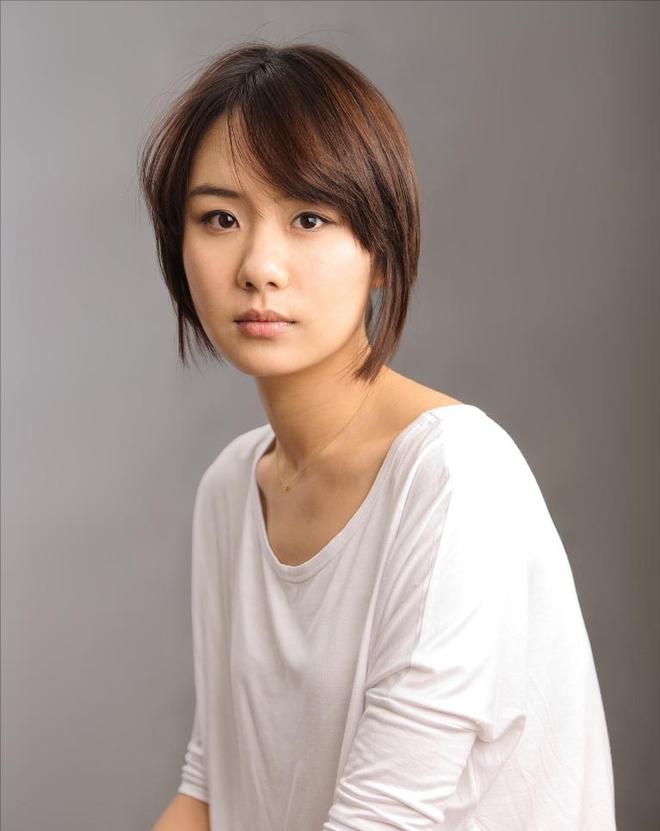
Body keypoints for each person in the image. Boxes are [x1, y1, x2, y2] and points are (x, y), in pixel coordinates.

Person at [140, 41, 616, 831]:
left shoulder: (455, 476)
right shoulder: (231, 489)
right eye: (220, 218)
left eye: (309, 218)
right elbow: (211, 792)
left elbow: (383, 819)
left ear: (382, 252)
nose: (259, 265)